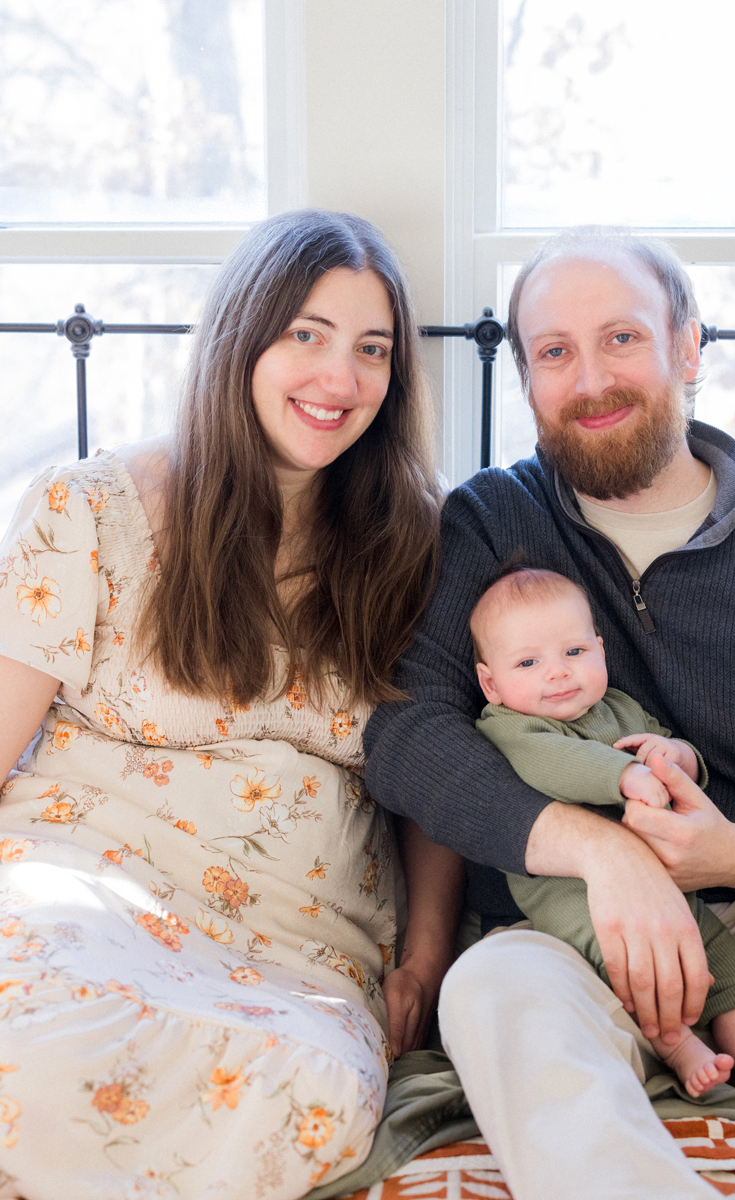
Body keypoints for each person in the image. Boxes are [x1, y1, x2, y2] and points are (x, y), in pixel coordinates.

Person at [363, 226, 735, 1199]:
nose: (590, 379)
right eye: (555, 352)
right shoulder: (487, 522)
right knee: (494, 994)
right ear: (528, 380)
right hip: (569, 941)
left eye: (622, 338)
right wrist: (597, 849)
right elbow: (407, 735)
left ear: (688, 347)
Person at [0, 209, 461, 1200]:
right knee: (33, 1043)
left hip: (300, 945)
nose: (341, 381)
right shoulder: (92, 509)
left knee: (310, 1097)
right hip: (86, 884)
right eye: (306, 334)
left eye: (371, 350)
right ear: (240, 336)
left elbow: (440, 773)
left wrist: (422, 960)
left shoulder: (418, 544)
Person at [471, 565, 735, 1098]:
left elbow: (664, 743)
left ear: (600, 650)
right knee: (633, 959)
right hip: (574, 897)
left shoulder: (619, 708)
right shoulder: (510, 725)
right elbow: (550, 764)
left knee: (724, 959)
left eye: (574, 653)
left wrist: (677, 758)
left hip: (673, 890)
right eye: (528, 662)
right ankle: (678, 1046)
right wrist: (623, 775)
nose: (556, 673)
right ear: (492, 682)